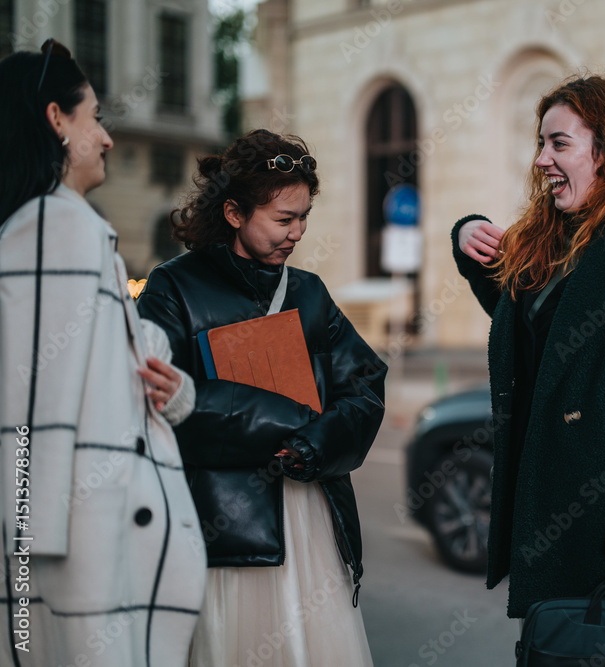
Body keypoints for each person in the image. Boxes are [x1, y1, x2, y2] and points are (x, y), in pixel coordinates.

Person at [136, 129, 387, 666]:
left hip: (310, 515)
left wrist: (314, 445)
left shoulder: (309, 293)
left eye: (303, 218)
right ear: (233, 212)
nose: (296, 233)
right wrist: (292, 422)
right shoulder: (172, 289)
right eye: (282, 219)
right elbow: (157, 399)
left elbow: (365, 388)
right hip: (223, 528)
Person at [452, 75, 605, 618]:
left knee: (600, 643)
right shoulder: (551, 234)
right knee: (554, 640)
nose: (542, 159)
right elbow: (534, 335)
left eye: (559, 143)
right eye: (541, 143)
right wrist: (466, 235)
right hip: (549, 496)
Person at [0, 40, 205, 666]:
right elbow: (30, 419)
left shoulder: (51, 227)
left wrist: (174, 389)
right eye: (93, 118)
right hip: (86, 554)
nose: (107, 139)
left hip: (83, 539)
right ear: (56, 119)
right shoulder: (57, 227)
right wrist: (34, 558)